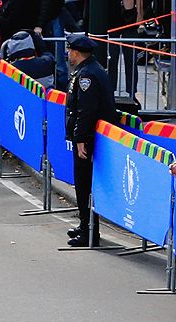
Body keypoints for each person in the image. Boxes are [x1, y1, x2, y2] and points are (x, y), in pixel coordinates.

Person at [64, 33, 117, 246]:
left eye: (69, 50)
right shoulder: (88, 70)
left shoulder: (87, 76)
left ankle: (89, 232)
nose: (68, 54)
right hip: (88, 137)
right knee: (83, 183)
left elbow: (86, 111)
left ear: (76, 52)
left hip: (88, 139)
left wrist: (79, 138)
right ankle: (85, 224)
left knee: (84, 183)